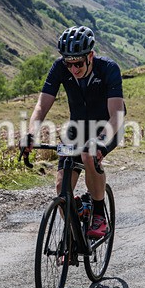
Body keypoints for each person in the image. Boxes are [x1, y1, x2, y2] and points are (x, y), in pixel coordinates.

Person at [20, 26, 125, 239]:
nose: (73, 69)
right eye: (69, 63)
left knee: (88, 155)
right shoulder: (60, 68)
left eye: (78, 63)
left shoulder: (108, 69)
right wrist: (31, 133)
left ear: (90, 56)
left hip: (108, 127)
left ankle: (97, 212)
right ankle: (72, 237)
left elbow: (117, 113)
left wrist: (101, 142)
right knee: (62, 189)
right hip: (77, 128)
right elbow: (41, 106)